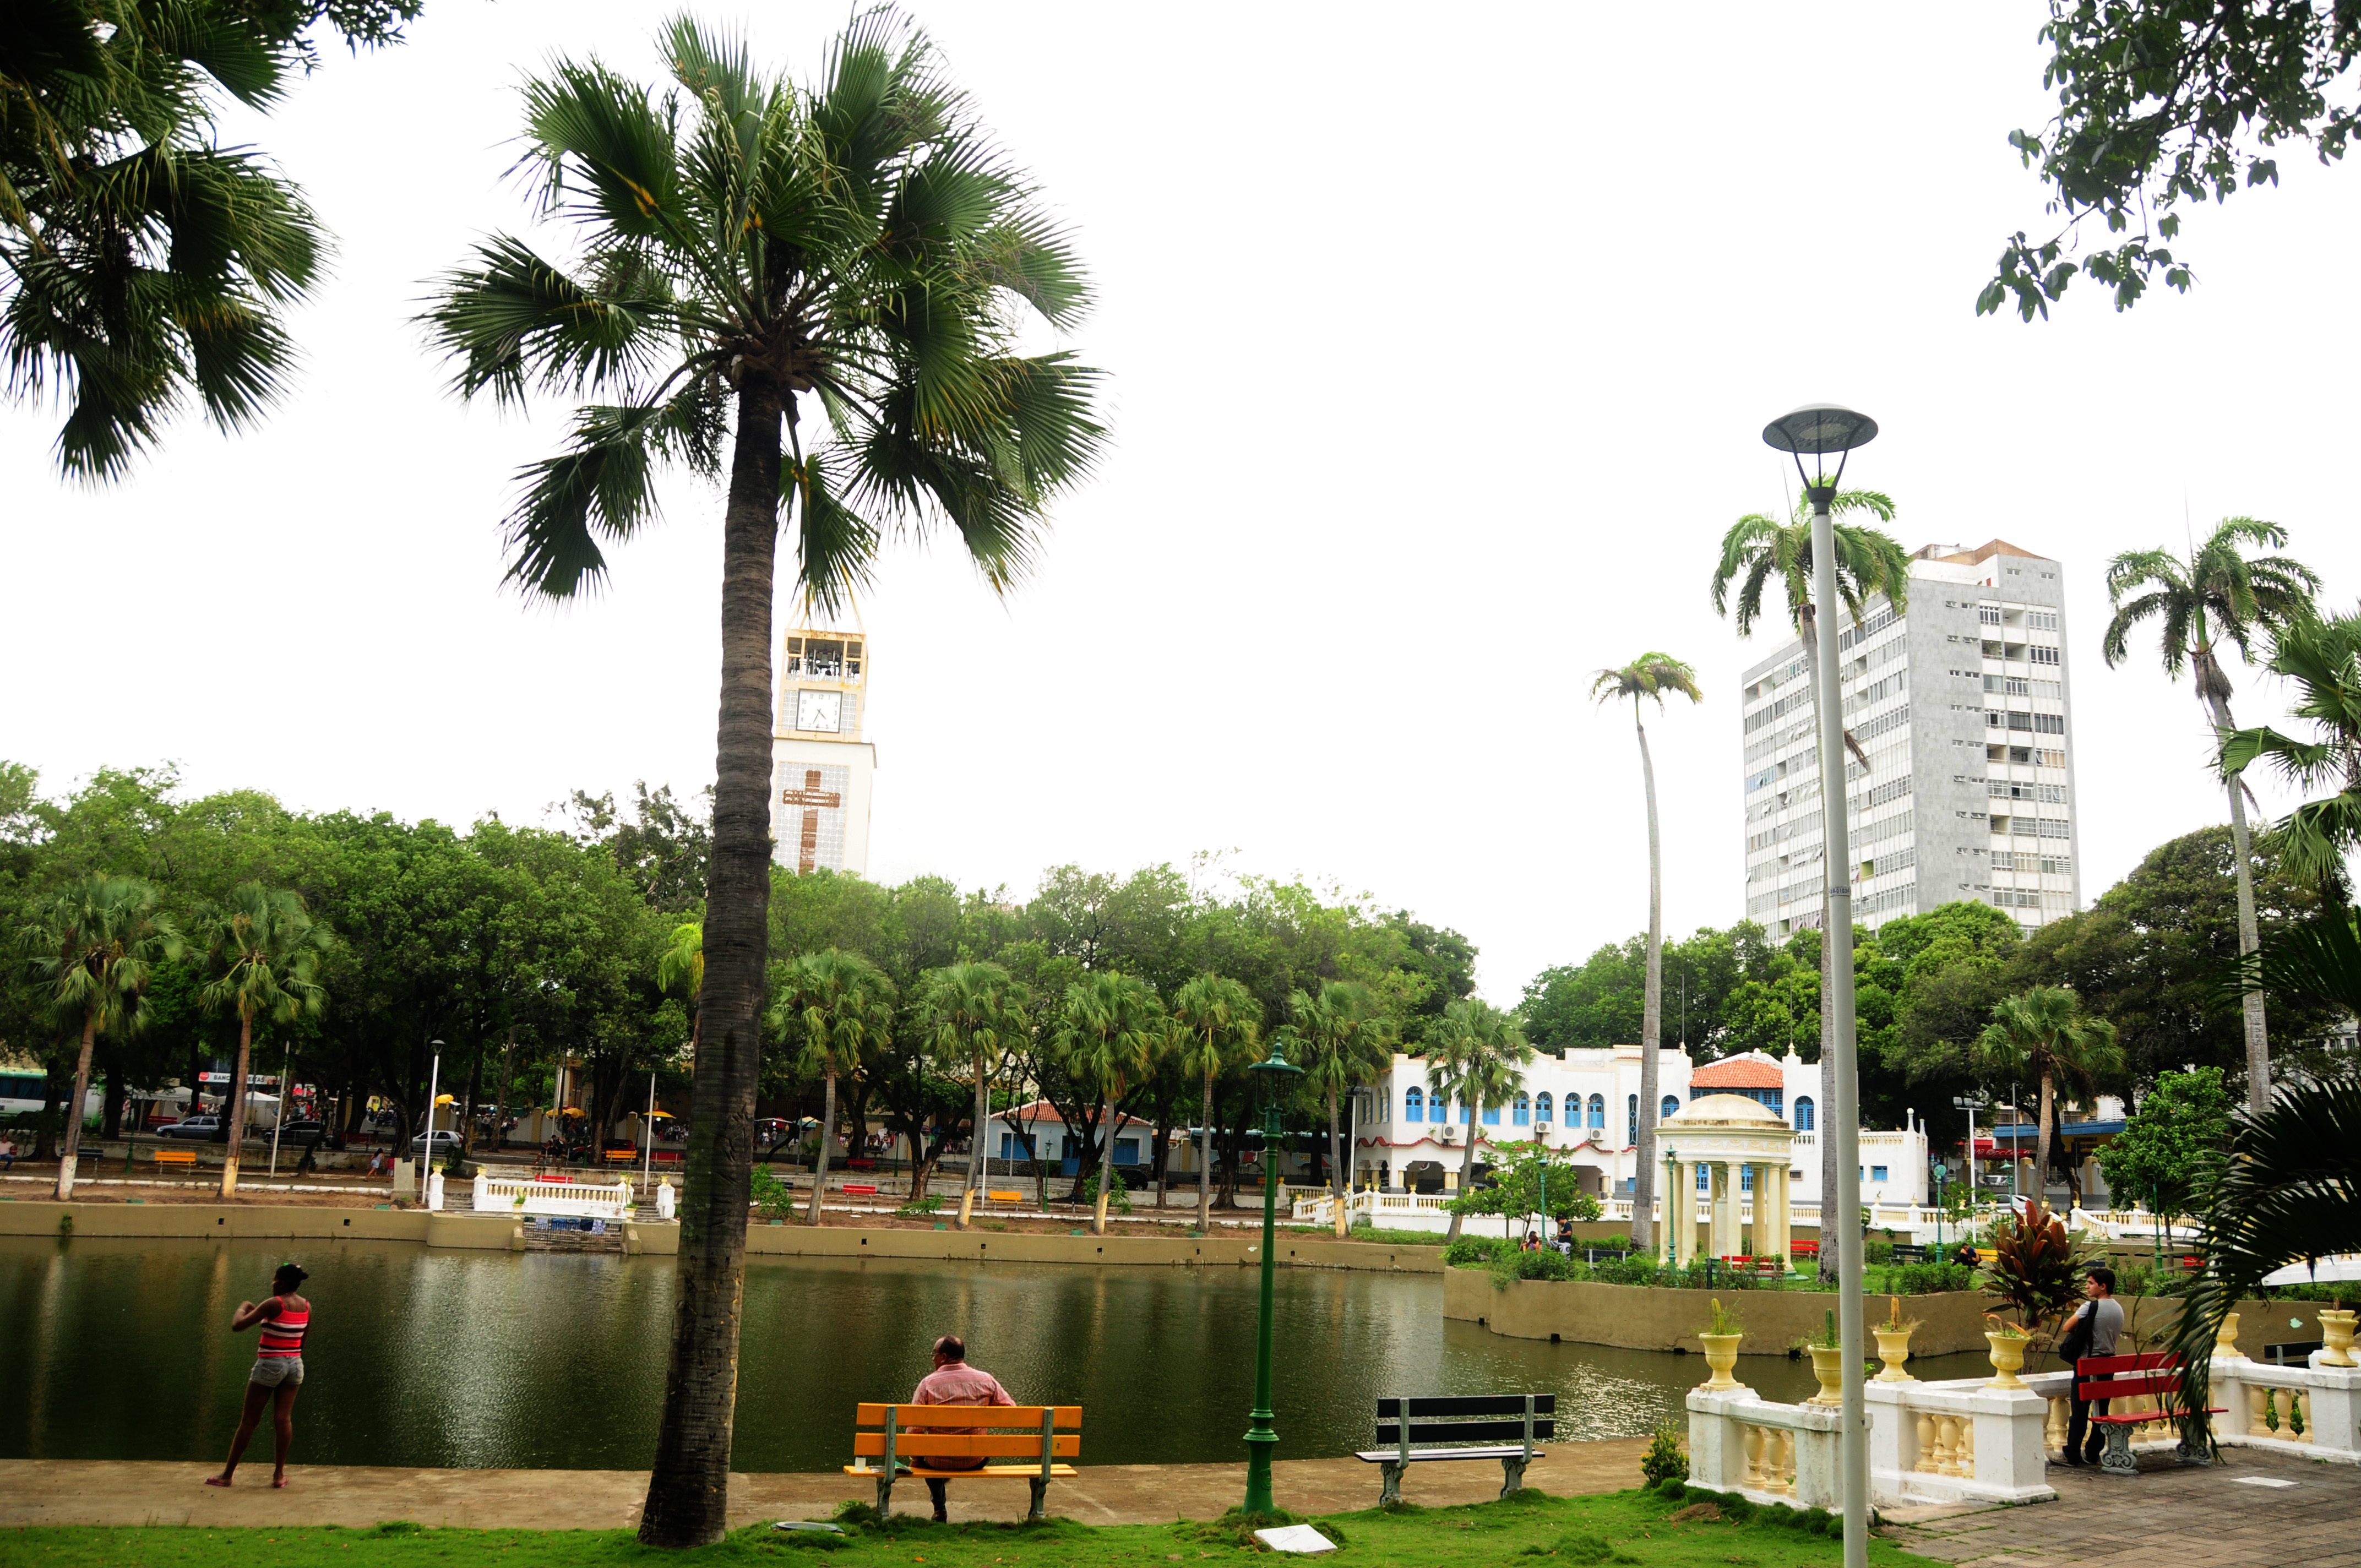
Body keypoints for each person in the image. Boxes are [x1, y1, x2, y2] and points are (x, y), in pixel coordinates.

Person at [206, 1262, 312, 1489]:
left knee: (249, 1421)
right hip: (295, 1365)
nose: (272, 1283)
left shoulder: (274, 1303)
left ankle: (227, 1475)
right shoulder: (306, 1306)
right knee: (283, 1420)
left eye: (274, 1279)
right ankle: (278, 1476)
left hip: (270, 1365)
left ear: (282, 1283)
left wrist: (243, 1307)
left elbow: (238, 1326)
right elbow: (301, 1342)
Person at [909, 1334, 1015, 1523]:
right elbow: (1011, 1411)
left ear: (944, 1357)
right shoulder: (986, 1380)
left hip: (937, 1462)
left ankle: (940, 1509)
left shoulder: (928, 1384)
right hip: (976, 1459)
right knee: (935, 1452)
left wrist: (917, 1460)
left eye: (934, 1354)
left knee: (925, 1455)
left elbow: (913, 1433)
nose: (933, 1359)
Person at [2060, 1265, 2123, 1467]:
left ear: (2102, 1287)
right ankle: (2093, 1452)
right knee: (2101, 1410)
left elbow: (2067, 1327)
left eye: (2091, 1283)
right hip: (2107, 1364)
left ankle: (2073, 1454)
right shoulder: (2118, 1308)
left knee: (2079, 1411)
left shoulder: (2090, 1307)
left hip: (2088, 1364)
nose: (2087, 1287)